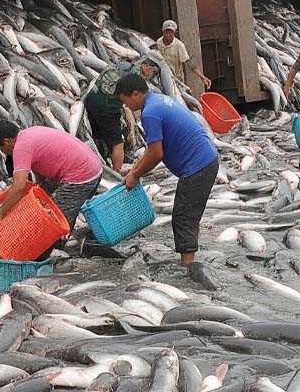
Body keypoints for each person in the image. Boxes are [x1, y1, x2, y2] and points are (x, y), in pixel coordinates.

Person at [115, 73, 218, 266]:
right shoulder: (159, 100)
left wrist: (135, 175)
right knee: (189, 215)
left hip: (198, 166)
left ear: (135, 94)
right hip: (206, 159)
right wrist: (134, 170)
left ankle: (190, 269)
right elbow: (151, 147)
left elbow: (156, 154)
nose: (126, 107)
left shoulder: (150, 113)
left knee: (182, 218)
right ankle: (192, 257)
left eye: (125, 101)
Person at [0, 121, 103, 238]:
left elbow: (19, 186)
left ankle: (55, 248)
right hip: (94, 166)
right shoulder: (30, 132)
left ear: (7, 141)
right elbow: (42, 164)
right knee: (48, 200)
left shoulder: (21, 148)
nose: (3, 152)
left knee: (55, 218)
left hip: (81, 177)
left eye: (0, 149)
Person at [82, 58, 159, 172]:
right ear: (146, 66)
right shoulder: (135, 78)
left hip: (91, 100)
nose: (150, 74)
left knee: (97, 136)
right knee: (118, 143)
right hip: (108, 109)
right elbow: (132, 100)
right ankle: (116, 174)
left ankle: (98, 166)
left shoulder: (124, 65)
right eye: (152, 71)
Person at [156, 20, 211, 91]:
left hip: (176, 79)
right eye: (167, 32)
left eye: (171, 32)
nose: (168, 35)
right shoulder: (158, 43)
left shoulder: (179, 45)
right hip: (162, 78)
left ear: (175, 33)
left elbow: (188, 62)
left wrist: (202, 77)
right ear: (163, 31)